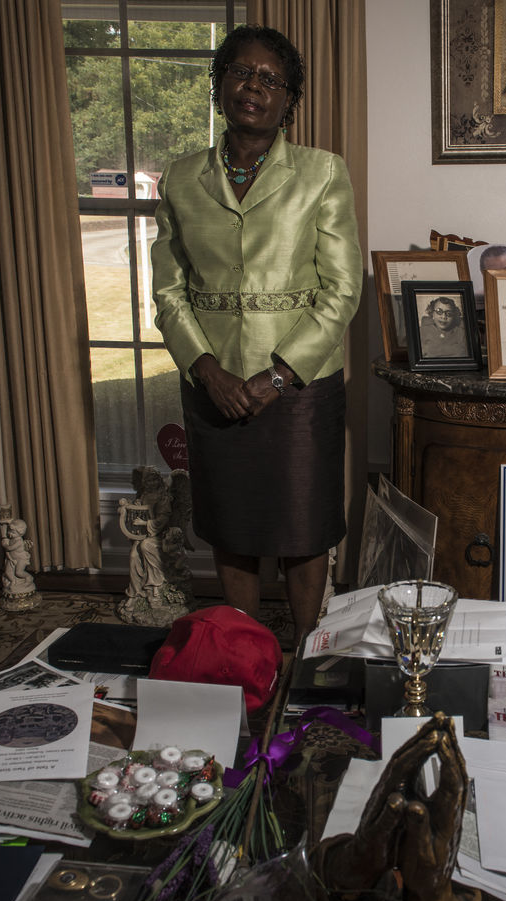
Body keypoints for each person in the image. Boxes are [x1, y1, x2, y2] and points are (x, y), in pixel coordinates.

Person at [152, 26, 362, 637]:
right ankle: (246, 654)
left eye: (272, 79)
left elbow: (341, 289)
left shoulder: (322, 173)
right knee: (232, 527)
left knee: (304, 530)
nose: (254, 86)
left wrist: (279, 374)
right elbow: (168, 291)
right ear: (219, 83)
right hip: (214, 386)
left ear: (289, 100)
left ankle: (308, 656)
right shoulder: (180, 177)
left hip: (301, 388)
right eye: (242, 72)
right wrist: (205, 369)